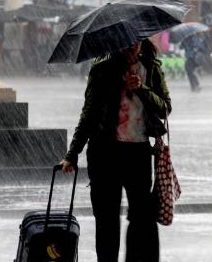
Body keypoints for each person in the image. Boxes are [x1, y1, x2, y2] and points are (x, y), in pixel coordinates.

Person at [60, 39, 171, 262]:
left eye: (136, 44)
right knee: (107, 221)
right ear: (117, 43)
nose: (132, 49)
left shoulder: (151, 67)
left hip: (138, 154)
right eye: (126, 45)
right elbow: (88, 114)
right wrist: (72, 154)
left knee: (141, 219)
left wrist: (141, 88)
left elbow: (165, 108)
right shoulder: (102, 69)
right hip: (104, 154)